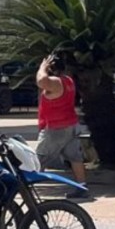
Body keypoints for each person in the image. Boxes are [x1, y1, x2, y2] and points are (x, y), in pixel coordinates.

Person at [36, 53, 87, 186]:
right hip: (71, 124)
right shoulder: (68, 80)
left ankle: (28, 190)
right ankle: (82, 186)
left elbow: (41, 81)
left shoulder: (56, 82)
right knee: (75, 158)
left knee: (38, 159)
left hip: (56, 127)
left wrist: (42, 67)